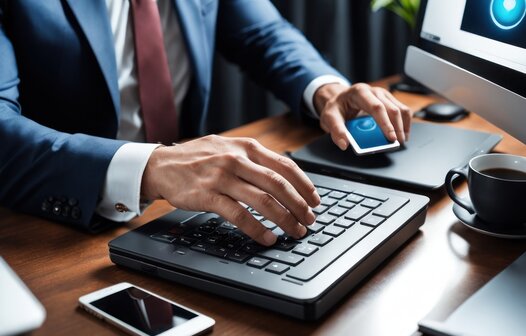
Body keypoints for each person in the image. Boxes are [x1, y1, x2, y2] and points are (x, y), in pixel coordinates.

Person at [0, 0, 411, 246]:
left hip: (182, 216)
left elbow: (264, 34)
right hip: (59, 225)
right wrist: (151, 167)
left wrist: (325, 91)